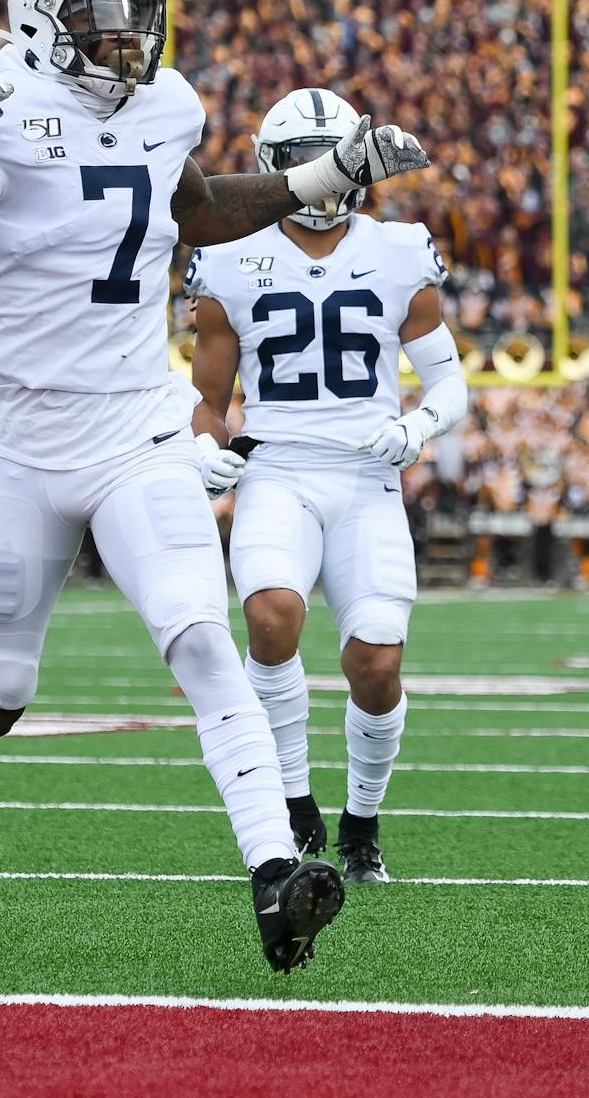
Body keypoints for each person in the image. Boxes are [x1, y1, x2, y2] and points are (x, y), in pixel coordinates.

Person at [0, 0, 432, 973]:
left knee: (201, 637)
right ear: (41, 22)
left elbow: (201, 209)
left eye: (136, 17)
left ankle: (276, 874)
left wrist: (327, 174)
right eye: (100, 18)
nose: (124, 39)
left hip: (137, 424)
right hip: (18, 438)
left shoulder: (165, 106)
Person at [187, 86, 470, 886]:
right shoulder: (230, 257)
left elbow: (449, 382)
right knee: (271, 615)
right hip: (277, 470)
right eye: (303, 162)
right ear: (271, 166)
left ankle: (362, 822)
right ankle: (293, 799)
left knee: (376, 662)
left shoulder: (400, 249)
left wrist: (418, 425)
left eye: (332, 159)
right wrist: (201, 447)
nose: (322, 177)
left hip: (367, 475)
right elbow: (207, 398)